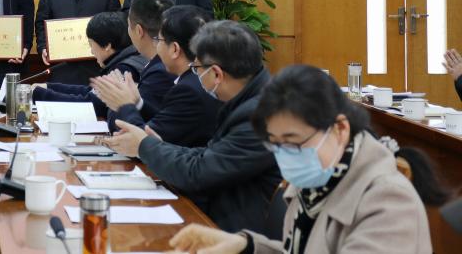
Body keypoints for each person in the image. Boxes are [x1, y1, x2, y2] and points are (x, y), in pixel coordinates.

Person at [169, 64, 447, 254]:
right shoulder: (321, 176)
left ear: (340, 129)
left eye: (293, 141)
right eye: (275, 143)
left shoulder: (387, 201)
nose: (286, 155)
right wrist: (245, 246)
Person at [101, 20, 281, 233]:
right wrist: (156, 146)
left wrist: (144, 146)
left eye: (196, 69)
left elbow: (200, 172)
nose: (196, 77)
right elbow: (208, 155)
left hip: (236, 232)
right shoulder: (249, 100)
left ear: (216, 74)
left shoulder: (259, 117)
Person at [93, 5, 221, 147]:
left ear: (174, 49)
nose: (157, 47)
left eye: (159, 40)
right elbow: (165, 123)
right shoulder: (197, 79)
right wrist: (138, 103)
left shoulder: (189, 90)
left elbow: (143, 144)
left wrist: (123, 104)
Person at [32, 11, 146, 117]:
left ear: (107, 45)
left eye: (91, 44)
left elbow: (91, 104)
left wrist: (40, 94)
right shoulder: (125, 60)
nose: (91, 51)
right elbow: (91, 91)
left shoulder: (124, 69)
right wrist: (48, 87)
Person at [122, 0, 177, 113]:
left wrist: (119, 100)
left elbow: (138, 119)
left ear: (139, 31)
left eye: (129, 25)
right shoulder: (167, 61)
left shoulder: (159, 73)